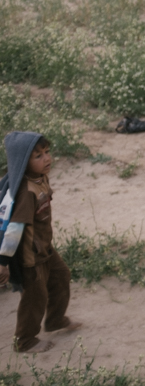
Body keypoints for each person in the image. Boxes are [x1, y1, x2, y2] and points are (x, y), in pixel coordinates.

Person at [0, 132, 82, 353]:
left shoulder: (40, 179)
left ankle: (55, 320)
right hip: (31, 256)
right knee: (35, 297)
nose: (46, 158)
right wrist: (3, 262)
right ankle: (24, 340)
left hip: (45, 247)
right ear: (23, 163)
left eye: (46, 152)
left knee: (61, 276)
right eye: (38, 156)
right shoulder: (27, 192)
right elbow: (14, 230)